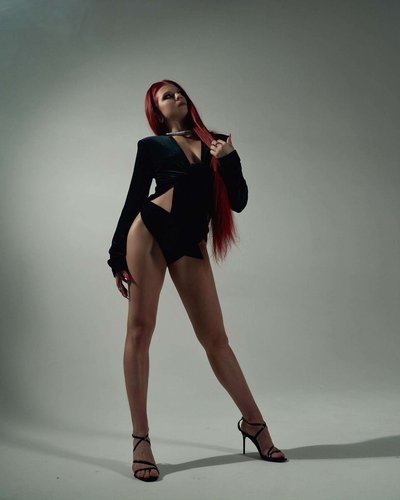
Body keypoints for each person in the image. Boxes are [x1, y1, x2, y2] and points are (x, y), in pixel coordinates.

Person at [107, 79, 287, 482]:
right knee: (140, 331)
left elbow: (238, 201)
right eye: (166, 96)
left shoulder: (217, 143)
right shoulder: (151, 146)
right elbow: (134, 198)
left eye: (179, 92)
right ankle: (141, 440)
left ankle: (254, 424)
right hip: (149, 232)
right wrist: (116, 254)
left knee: (216, 340)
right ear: (157, 111)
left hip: (189, 242)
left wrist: (230, 159)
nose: (177, 97)